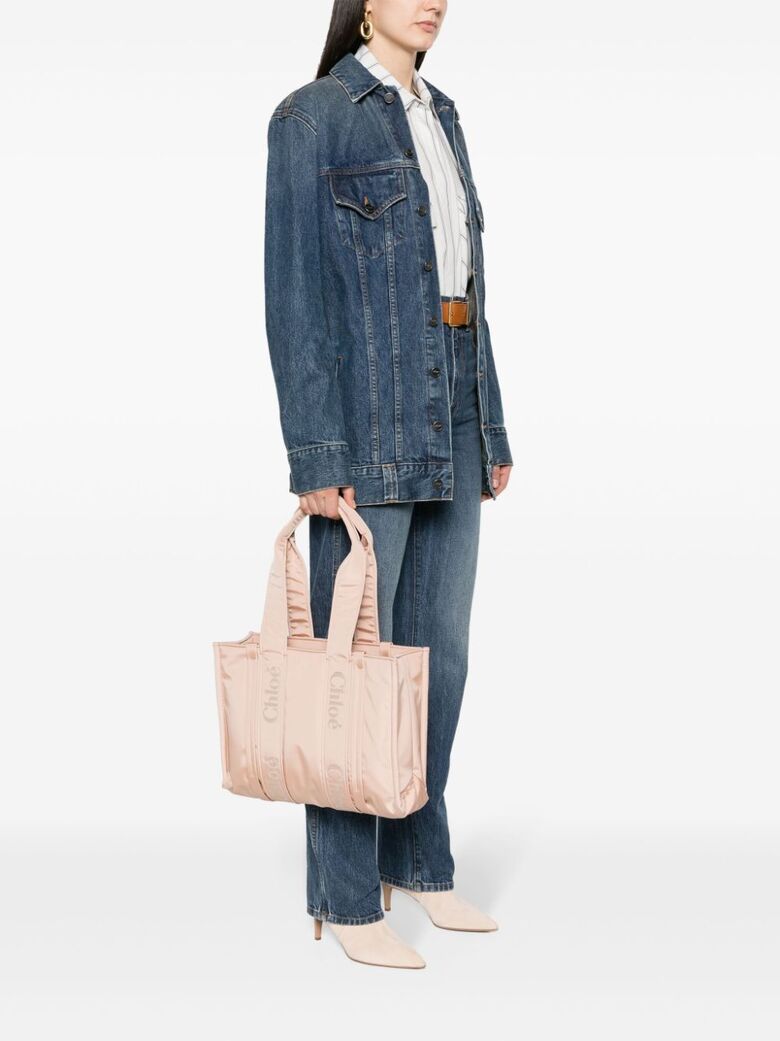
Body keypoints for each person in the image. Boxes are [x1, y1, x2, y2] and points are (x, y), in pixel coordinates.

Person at [264, 0, 513, 969]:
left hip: (454, 412)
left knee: (437, 659)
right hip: (366, 425)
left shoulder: (442, 114)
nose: (433, 1)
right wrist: (317, 454)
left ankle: (418, 859)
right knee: (353, 666)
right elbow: (293, 296)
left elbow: (468, 288)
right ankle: (344, 892)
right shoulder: (314, 117)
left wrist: (490, 424)